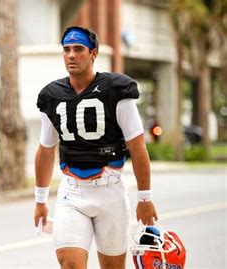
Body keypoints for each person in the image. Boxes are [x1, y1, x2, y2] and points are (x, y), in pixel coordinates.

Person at [33, 26, 158, 269]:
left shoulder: (116, 90)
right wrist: (40, 200)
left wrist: (145, 198)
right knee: (69, 263)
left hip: (110, 190)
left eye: (78, 49)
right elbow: (46, 149)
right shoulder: (52, 95)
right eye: (66, 50)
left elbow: (137, 147)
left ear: (93, 53)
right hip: (72, 191)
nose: (71, 55)